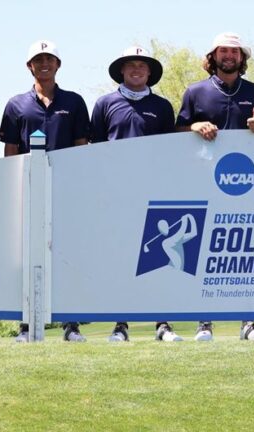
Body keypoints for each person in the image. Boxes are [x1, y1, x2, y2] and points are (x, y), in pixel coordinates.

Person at [176, 32, 254, 341]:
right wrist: (193, 126)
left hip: (246, 184)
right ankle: (204, 322)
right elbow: (176, 132)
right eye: (223, 51)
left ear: (241, 58)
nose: (229, 55)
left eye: (235, 51)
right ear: (214, 56)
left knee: (247, 252)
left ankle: (249, 323)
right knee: (205, 251)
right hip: (204, 183)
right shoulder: (195, 92)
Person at [0, 40, 90, 342]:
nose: (44, 64)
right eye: (38, 60)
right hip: (29, 191)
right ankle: (26, 326)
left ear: (58, 64)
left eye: (49, 58)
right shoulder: (15, 104)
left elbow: (81, 149)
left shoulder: (74, 102)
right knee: (28, 259)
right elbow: (10, 152)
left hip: (66, 191)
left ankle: (71, 325)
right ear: (30, 67)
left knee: (69, 256)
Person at [91, 46, 181, 342]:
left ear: (149, 72)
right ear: (121, 71)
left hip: (155, 193)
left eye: (142, 66)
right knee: (120, 258)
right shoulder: (105, 104)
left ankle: (163, 324)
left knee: (158, 260)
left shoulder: (163, 106)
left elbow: (171, 153)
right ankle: (120, 324)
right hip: (117, 194)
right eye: (131, 65)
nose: (137, 70)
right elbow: (97, 152)